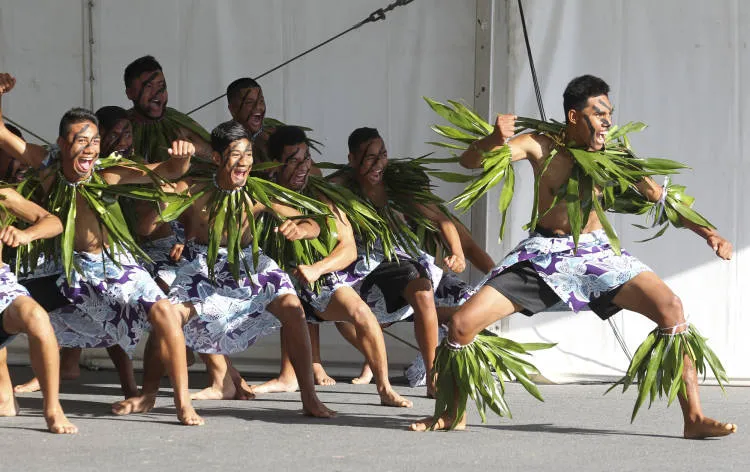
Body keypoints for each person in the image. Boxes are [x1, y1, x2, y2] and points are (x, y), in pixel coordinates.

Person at [410, 75, 737, 439]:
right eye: (598, 114)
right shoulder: (539, 145)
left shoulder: (614, 155)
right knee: (461, 325)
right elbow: (470, 162)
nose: (607, 121)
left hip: (597, 254)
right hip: (545, 255)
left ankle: (693, 419)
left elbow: (660, 197)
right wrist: (493, 139)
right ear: (573, 116)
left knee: (671, 309)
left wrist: (709, 233)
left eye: (609, 113)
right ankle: (452, 412)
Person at [0, 72, 203, 426]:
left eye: (94, 141)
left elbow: (166, 170)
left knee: (166, 313)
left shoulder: (107, 173)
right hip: (69, 269)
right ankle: (18, 393)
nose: (90, 148)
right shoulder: (47, 169)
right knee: (21, 312)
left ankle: (179, 402)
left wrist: (183, 159)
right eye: (81, 141)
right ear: (62, 145)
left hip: (114, 264)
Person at [154, 120, 335, 417]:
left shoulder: (257, 193)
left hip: (250, 262)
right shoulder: (193, 191)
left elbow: (315, 221)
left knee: (293, 307)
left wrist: (302, 229)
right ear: (216, 158)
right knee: (169, 316)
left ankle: (309, 398)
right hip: (205, 264)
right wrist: (175, 164)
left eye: (248, 154)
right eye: (236, 154)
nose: (244, 162)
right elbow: (156, 206)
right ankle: (177, 401)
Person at [247, 126, 411, 407]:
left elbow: (347, 248)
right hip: (272, 277)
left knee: (361, 311)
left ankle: (384, 387)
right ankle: (251, 378)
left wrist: (318, 268)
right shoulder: (260, 193)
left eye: (307, 159)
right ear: (275, 165)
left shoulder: (323, 193)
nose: (303, 167)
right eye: (294, 161)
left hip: (317, 275)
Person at [332, 127, 465, 397]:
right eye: (369, 157)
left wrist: (457, 252)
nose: (378, 163)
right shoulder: (341, 188)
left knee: (425, 294)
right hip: (361, 264)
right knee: (340, 316)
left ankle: (432, 375)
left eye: (382, 155)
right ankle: (374, 360)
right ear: (352, 158)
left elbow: (442, 220)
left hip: (399, 259)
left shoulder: (397, 187)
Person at [0, 185, 77, 434]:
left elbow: (53, 222)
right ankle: (5, 399)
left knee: (36, 316)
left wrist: (27, 235)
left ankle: (53, 408)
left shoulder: (3, 196)